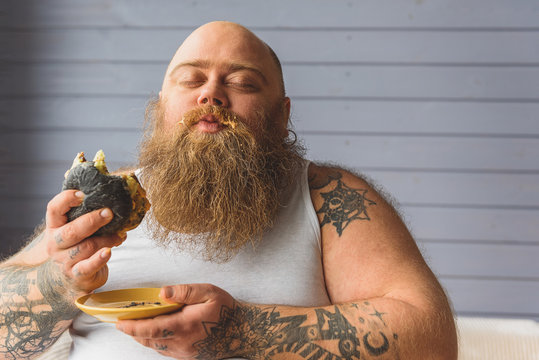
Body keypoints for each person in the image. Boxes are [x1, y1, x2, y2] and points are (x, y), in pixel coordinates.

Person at [0, 21, 457, 359]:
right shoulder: (110, 198)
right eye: (192, 79)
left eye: (242, 82)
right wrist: (58, 281)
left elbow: (432, 340)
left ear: (282, 115)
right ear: (161, 109)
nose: (211, 94)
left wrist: (242, 330)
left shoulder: (329, 197)